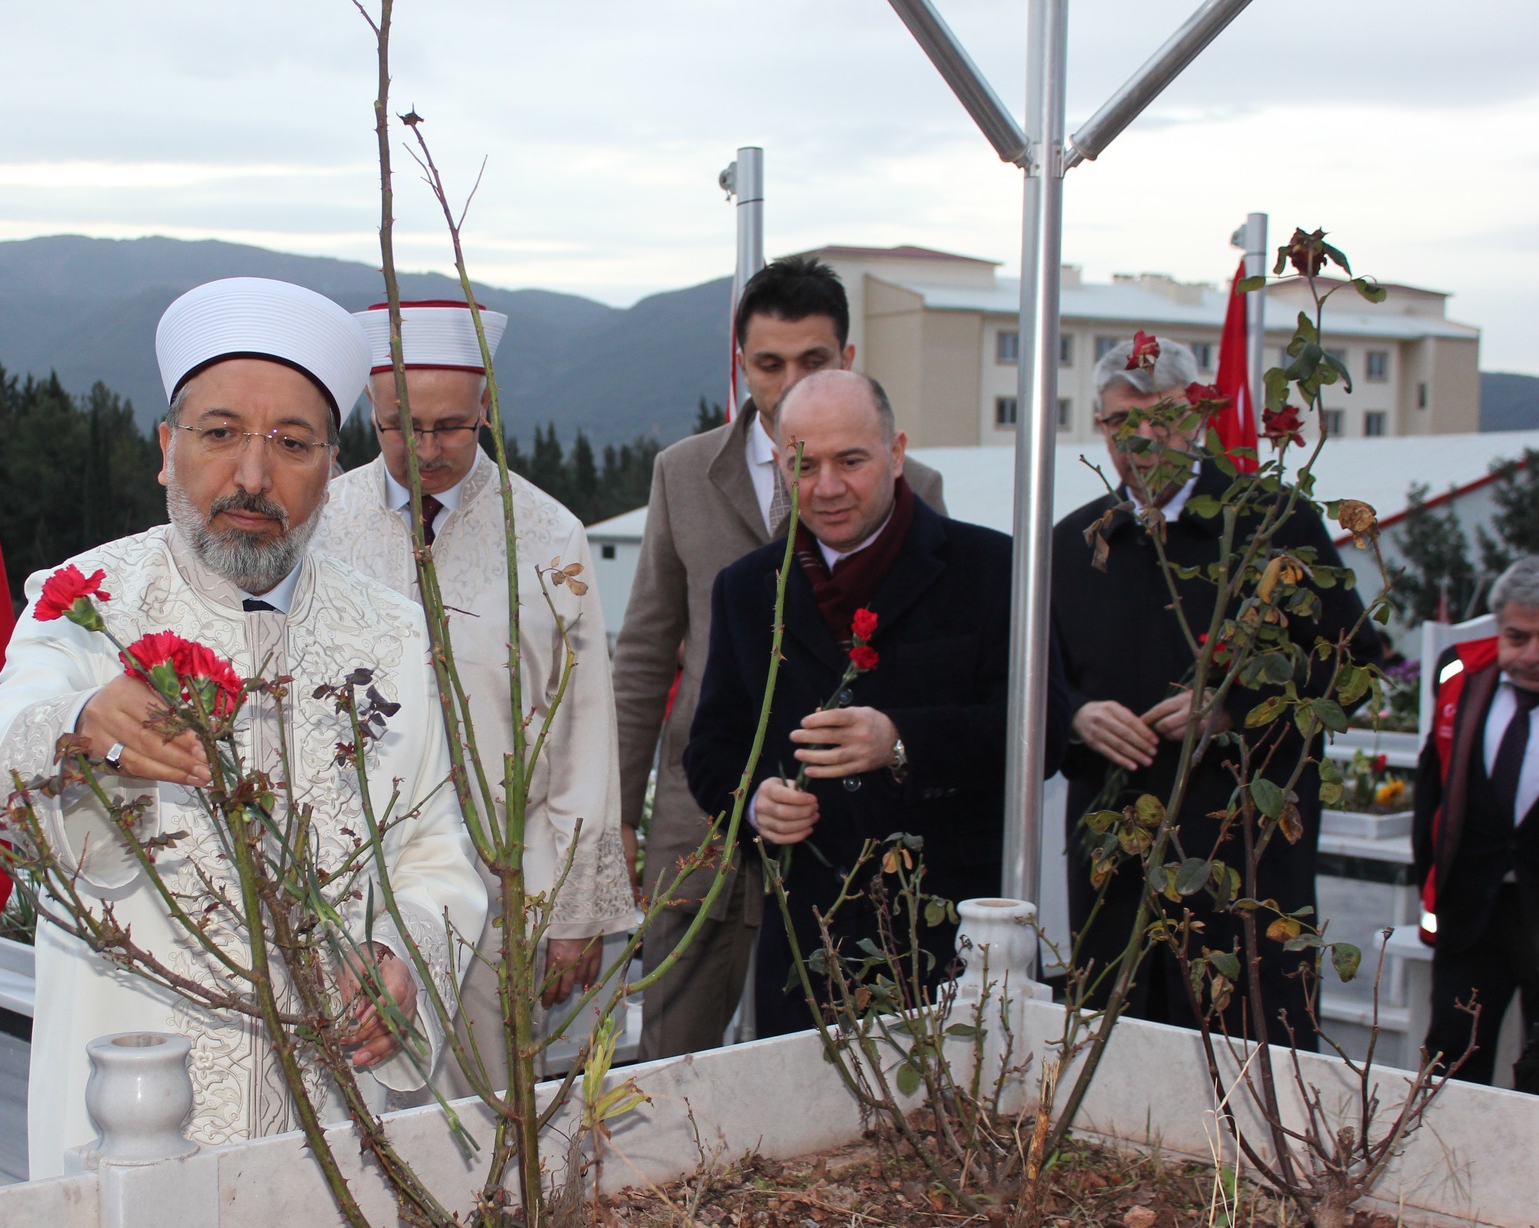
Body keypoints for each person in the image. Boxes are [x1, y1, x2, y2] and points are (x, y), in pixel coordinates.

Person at [0, 277, 487, 1176]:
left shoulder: (394, 637)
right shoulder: (85, 602)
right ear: (167, 450)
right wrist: (80, 725)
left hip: (335, 1121)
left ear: (333, 464)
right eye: (218, 435)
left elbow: (437, 852)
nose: (253, 476)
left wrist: (404, 959)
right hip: (127, 1125)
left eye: (291, 443)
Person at [614, 258, 947, 1059]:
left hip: (848, 826)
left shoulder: (915, 485)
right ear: (742, 366)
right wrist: (619, 815)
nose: (789, 379)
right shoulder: (685, 473)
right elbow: (645, 653)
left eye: (814, 361)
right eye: (770, 364)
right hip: (705, 820)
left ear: (849, 359)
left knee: (844, 1056)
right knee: (675, 1051)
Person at [317, 300, 637, 1094]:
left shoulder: (547, 535)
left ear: (487, 408)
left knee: (487, 1109)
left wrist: (574, 911)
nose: (426, 449)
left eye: (451, 427)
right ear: (369, 410)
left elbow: (584, 724)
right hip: (350, 886)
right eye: (401, 426)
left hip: (503, 885)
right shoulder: (321, 524)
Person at [682, 370, 1055, 1037]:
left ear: (896, 451)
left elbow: (1044, 732)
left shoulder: (993, 569)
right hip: (805, 944)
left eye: (850, 460)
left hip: (952, 942)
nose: (827, 487)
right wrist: (754, 803)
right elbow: (712, 748)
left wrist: (902, 741)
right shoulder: (746, 588)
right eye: (804, 465)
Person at [1051, 336, 1378, 1041]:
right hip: (1117, 877)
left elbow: (1352, 668)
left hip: (1246, 864)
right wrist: (1076, 718)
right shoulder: (1074, 545)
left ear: (1198, 415)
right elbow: (1032, 688)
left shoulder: (1271, 523)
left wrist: (1233, 707)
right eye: (1118, 423)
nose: (1141, 438)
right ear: (1098, 428)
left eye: (1161, 416)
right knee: (1119, 1080)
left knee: (1250, 1072)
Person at [1416, 556, 1539, 1089]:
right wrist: (1434, 889)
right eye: (1517, 636)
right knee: (1451, 1060)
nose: (1531, 655)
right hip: (1471, 915)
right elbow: (1432, 793)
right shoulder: (1463, 677)